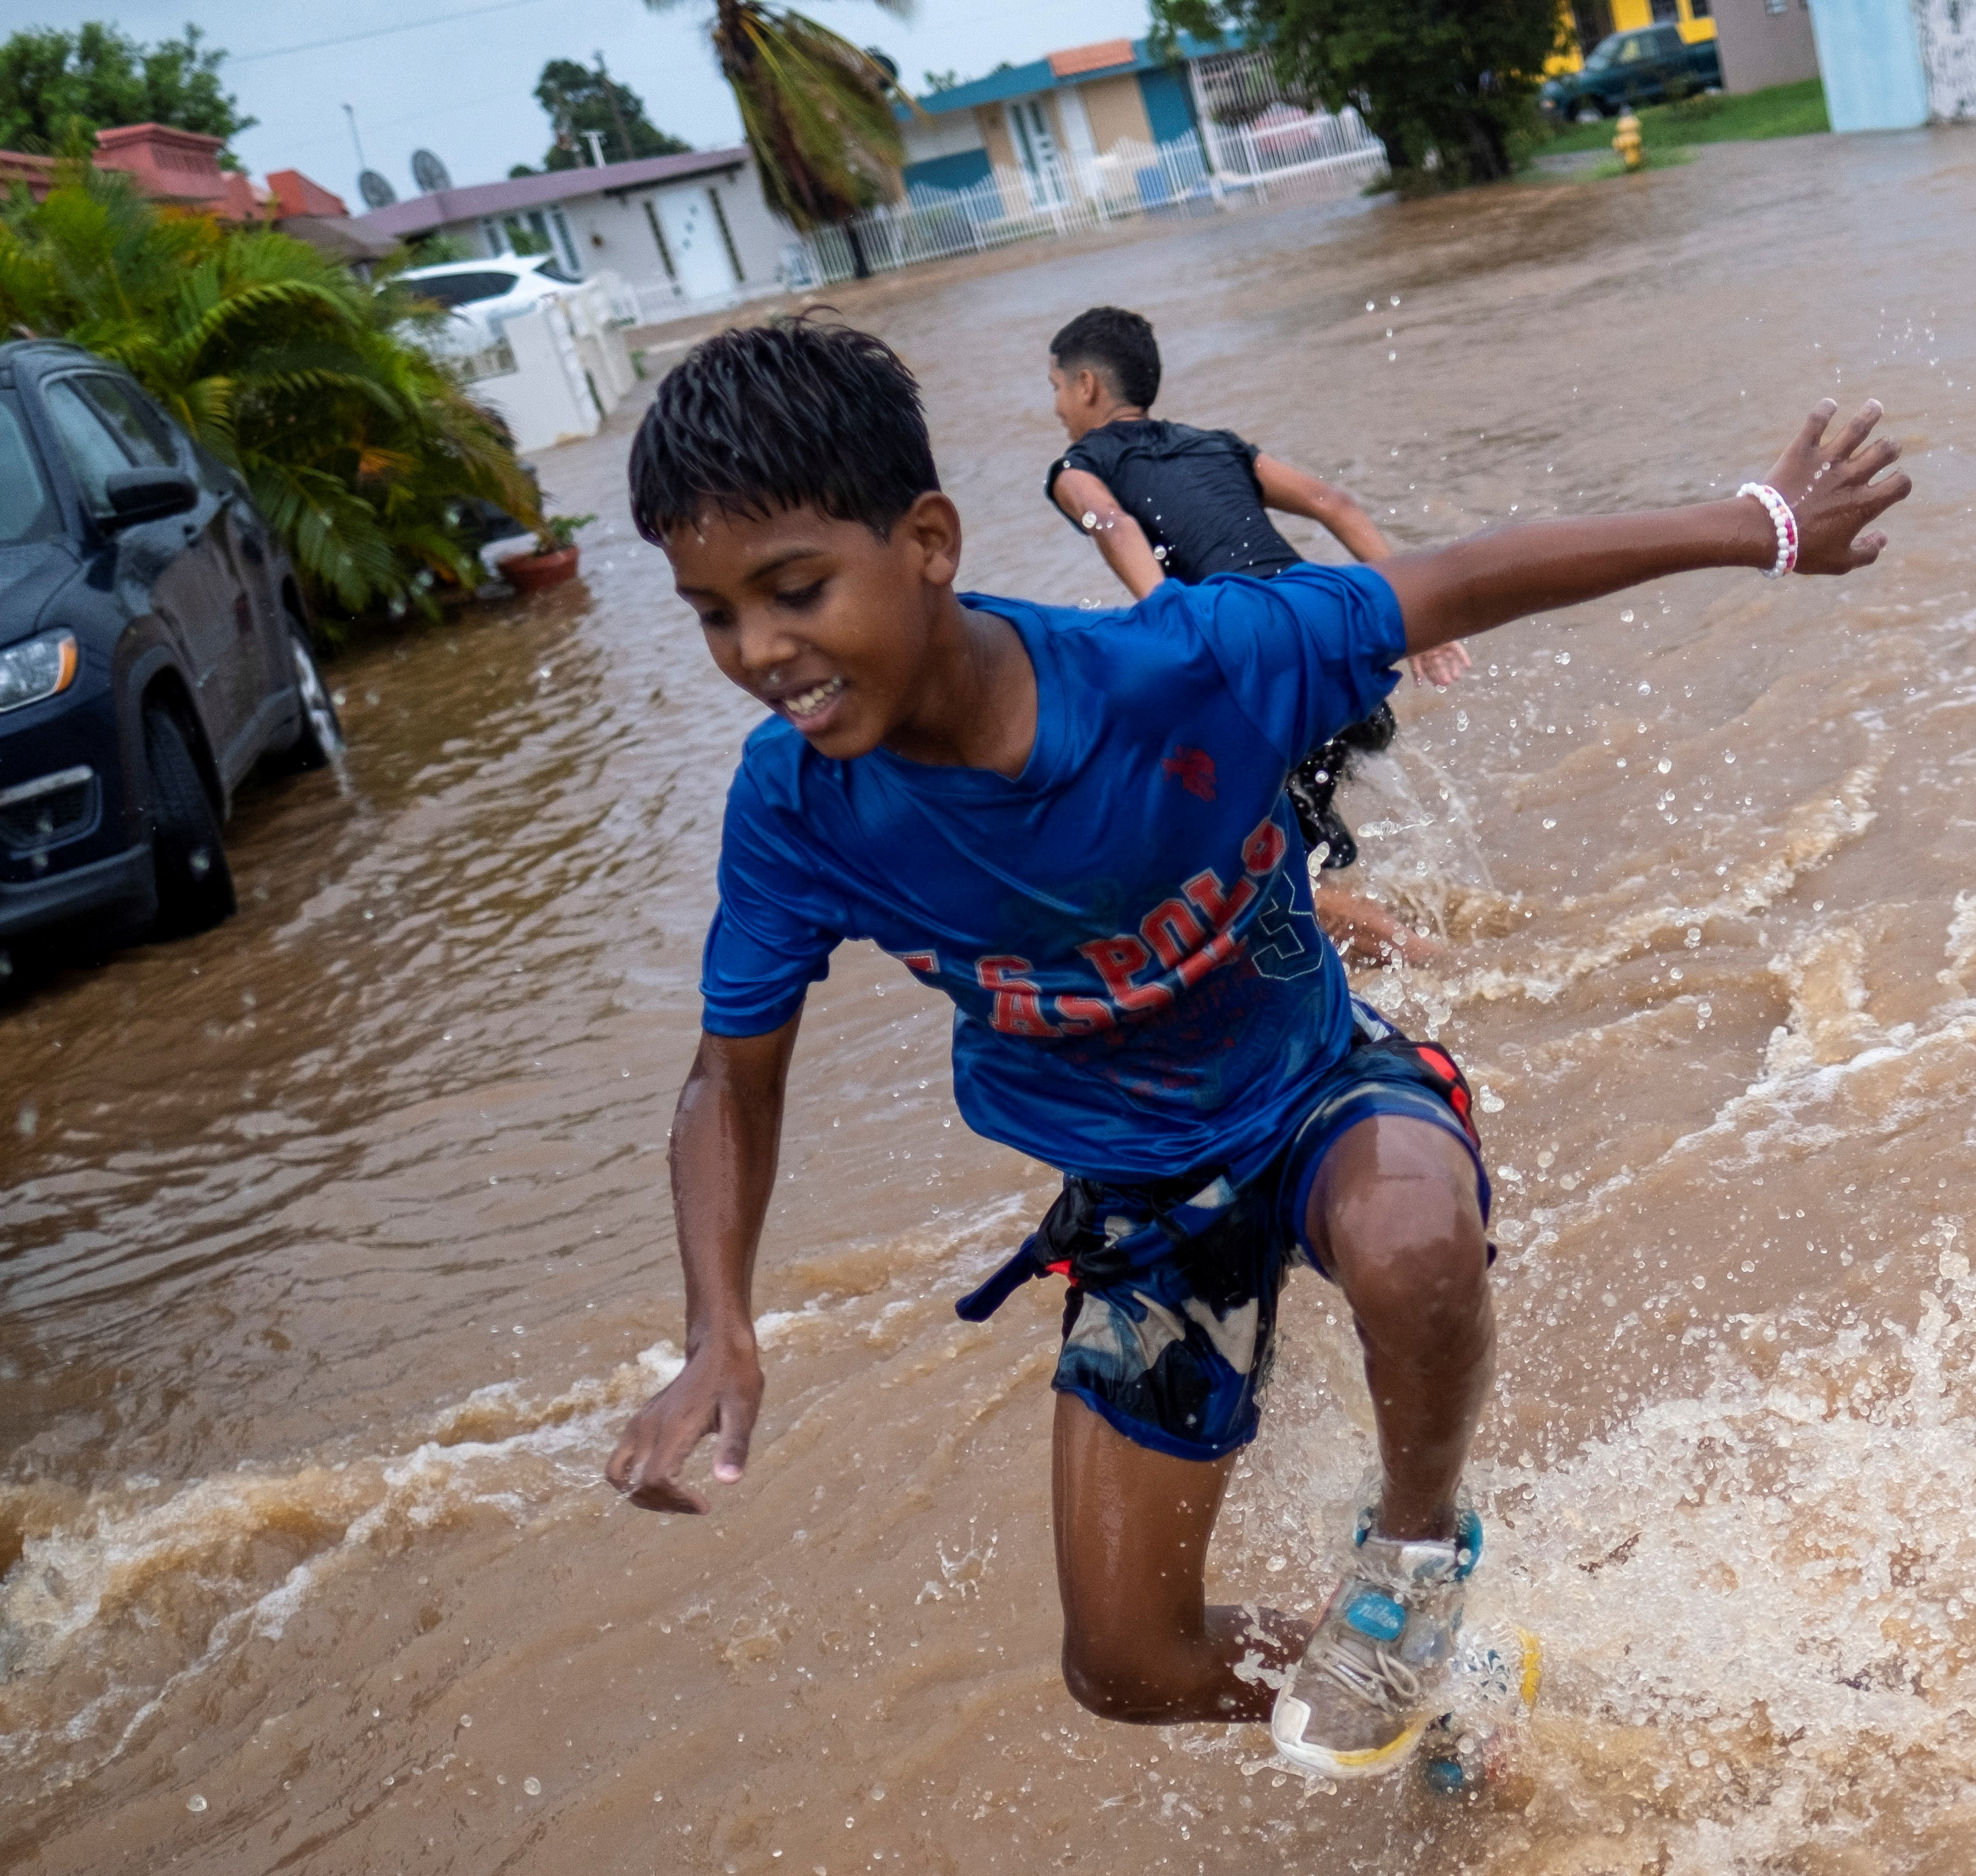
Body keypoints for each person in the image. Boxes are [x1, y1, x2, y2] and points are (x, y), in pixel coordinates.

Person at [602, 314, 1905, 1780]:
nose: (761, 653)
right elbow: (730, 1079)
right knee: (1125, 1664)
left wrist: (1761, 524)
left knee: (1413, 1242)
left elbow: (1467, 574)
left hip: (1317, 1094)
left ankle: (1412, 1563)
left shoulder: (1189, 667)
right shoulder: (796, 809)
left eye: (794, 591)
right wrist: (719, 1324)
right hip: (1144, 1203)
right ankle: (1461, 1684)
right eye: (714, 615)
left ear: (928, 541)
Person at [1043, 306, 1466, 961]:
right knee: (1295, 840)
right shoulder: (1216, 444)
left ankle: (1430, 959)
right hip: (1327, 629)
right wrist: (1415, 617)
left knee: (1235, 868)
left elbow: (1112, 523)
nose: (1056, 408)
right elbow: (1334, 503)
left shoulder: (1079, 466)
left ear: (1088, 385)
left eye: (1056, 388)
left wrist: (1167, 616)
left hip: (1250, 654)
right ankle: (1405, 940)